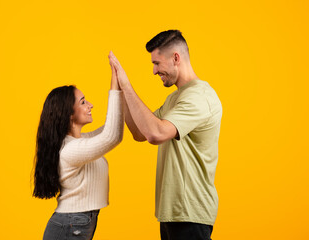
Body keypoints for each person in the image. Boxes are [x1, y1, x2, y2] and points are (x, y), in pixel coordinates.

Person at [109, 30, 222, 240]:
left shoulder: (199, 97)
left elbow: (155, 133)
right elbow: (139, 132)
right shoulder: (176, 98)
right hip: (173, 214)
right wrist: (121, 91)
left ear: (176, 58)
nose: (154, 70)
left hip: (190, 215)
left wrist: (127, 84)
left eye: (157, 63)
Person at [32, 58, 124, 240]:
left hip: (75, 222)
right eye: (83, 102)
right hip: (70, 225)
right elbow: (112, 137)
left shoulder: (80, 141)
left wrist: (122, 90)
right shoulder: (71, 150)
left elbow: (112, 128)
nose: (90, 105)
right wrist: (114, 86)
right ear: (69, 114)